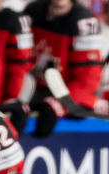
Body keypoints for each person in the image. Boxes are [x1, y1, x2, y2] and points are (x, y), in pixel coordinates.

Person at [24, 0, 104, 137]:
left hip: (69, 94)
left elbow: (88, 81)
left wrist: (58, 104)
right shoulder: (32, 11)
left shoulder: (85, 22)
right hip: (33, 89)